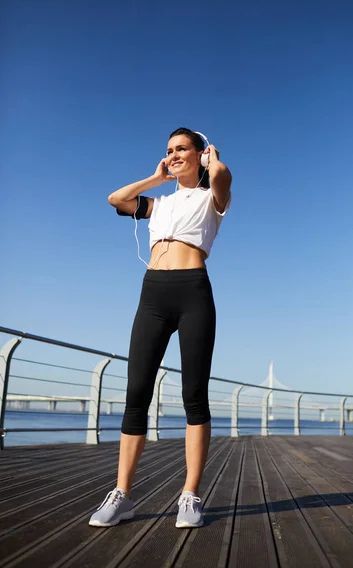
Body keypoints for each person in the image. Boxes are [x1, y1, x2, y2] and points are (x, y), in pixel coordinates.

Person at [89, 127, 232, 529]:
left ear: (201, 153)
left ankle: (190, 495)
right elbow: (116, 199)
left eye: (182, 149)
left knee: (193, 394)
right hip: (152, 294)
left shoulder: (211, 199)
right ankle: (122, 496)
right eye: (169, 150)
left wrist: (212, 161)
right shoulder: (159, 204)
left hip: (193, 293)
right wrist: (157, 177)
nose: (174, 155)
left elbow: (222, 177)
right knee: (136, 391)